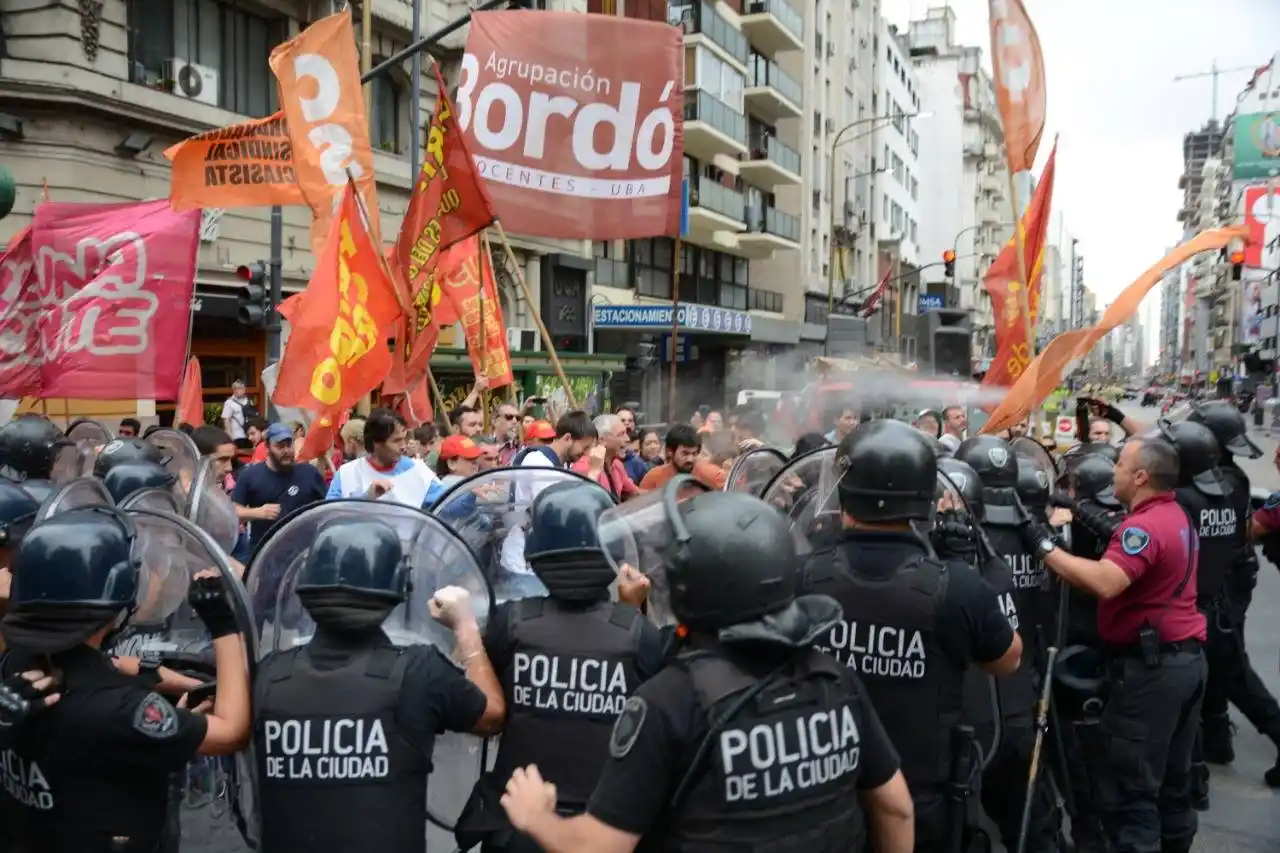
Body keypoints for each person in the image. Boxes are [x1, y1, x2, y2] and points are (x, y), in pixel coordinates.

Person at [500, 486, 915, 853]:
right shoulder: (835, 679)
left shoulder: (670, 701)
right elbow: (896, 809)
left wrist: (536, 816)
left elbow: (600, 847)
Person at [800, 421, 1022, 851]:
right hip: (923, 799)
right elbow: (1008, 659)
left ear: (844, 496)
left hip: (826, 794)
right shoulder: (957, 587)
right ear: (928, 501)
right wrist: (973, 573)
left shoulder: (805, 575)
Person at [0, 507, 252, 852]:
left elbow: (115, 664)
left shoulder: (17, 670)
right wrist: (224, 623)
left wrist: (190, 685)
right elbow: (231, 731)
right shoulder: (121, 710)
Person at [253, 516, 505, 853]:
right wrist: (465, 626)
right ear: (398, 589)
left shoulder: (268, 675)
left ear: (307, 587)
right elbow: (493, 715)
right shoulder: (419, 671)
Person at [1023, 435, 1206, 853]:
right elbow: (1125, 536)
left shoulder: (1143, 527)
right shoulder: (1174, 513)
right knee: (1174, 785)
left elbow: (1106, 582)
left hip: (1151, 673)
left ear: (1140, 476)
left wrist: (1042, 545)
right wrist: (1078, 508)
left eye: (1121, 465)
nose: (1114, 472)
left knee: (1132, 793)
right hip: (1186, 663)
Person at [459, 482, 664, 853]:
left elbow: (483, 706)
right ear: (613, 551)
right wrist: (631, 612)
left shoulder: (511, 623)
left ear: (537, 553)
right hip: (605, 830)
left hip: (517, 828)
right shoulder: (639, 633)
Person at [1163, 418, 1280, 795]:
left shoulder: (1182, 501)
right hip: (1220, 601)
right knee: (1232, 679)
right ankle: (1215, 744)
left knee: (1201, 686)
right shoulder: (1233, 484)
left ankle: (1193, 774)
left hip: (1196, 607)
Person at [327, 408, 445, 508]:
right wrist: (366, 498)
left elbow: (448, 505)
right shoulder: (346, 474)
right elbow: (329, 516)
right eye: (396, 441)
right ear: (376, 443)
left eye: (404, 438)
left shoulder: (419, 471)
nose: (403, 446)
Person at [233, 423, 327, 546]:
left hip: (304, 551)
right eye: (280, 446)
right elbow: (233, 511)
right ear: (267, 447)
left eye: (289, 445)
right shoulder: (250, 476)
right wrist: (258, 512)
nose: (286, 451)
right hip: (266, 551)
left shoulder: (308, 472)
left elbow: (326, 506)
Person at [571, 414, 640, 502]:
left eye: (626, 433)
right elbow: (580, 502)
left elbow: (636, 493)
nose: (627, 438)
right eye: (621, 434)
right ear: (602, 440)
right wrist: (594, 472)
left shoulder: (617, 464)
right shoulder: (583, 467)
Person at [513, 411, 597, 470]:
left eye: (550, 439)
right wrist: (594, 472)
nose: (587, 453)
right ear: (567, 438)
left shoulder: (563, 463)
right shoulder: (538, 461)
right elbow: (553, 495)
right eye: (585, 447)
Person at [638, 425, 701, 490]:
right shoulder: (653, 478)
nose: (690, 459)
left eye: (694, 454)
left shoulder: (704, 476)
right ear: (670, 451)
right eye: (685, 453)